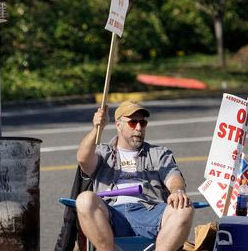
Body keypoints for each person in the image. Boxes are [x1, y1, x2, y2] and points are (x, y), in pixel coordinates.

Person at [75, 100, 193, 251]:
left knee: (184, 208)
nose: (138, 128)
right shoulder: (102, 153)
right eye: (132, 123)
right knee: (84, 199)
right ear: (118, 125)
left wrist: (177, 191)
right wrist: (97, 128)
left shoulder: (158, 153)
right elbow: (82, 159)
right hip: (111, 214)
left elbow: (173, 177)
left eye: (142, 123)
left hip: (150, 212)